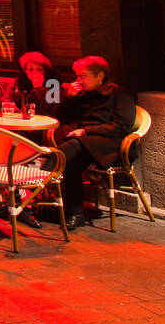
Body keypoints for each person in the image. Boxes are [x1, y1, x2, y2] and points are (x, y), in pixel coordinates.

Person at [51, 56, 136, 229]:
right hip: (83, 145)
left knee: (72, 146)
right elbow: (61, 118)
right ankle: (76, 213)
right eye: (77, 76)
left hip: (109, 145)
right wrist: (71, 98)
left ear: (100, 76)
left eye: (83, 76)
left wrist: (87, 131)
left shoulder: (119, 94)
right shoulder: (83, 95)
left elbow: (122, 125)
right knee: (71, 159)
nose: (78, 80)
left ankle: (34, 189)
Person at [8, 51, 60, 117]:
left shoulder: (53, 83)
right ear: (25, 71)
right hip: (23, 120)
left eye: (39, 69)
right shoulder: (19, 82)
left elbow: (51, 111)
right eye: (30, 69)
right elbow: (7, 99)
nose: (35, 72)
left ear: (45, 71)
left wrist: (38, 88)